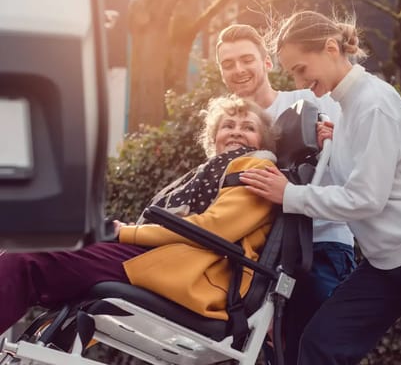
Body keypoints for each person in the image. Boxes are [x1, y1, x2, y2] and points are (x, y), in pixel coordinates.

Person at [239, 10, 401, 365]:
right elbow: (354, 182)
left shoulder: (373, 102)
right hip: (385, 263)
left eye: (301, 69)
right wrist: (335, 147)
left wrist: (288, 195)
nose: (301, 82)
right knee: (320, 344)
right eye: (293, 73)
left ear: (331, 48)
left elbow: (366, 198)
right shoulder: (346, 110)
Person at [0, 95, 279, 334]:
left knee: (30, 259)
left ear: (262, 140)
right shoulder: (209, 171)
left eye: (248, 127)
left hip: (189, 271)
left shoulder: (256, 167)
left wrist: (127, 232)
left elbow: (214, 229)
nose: (235, 132)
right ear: (213, 138)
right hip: (166, 258)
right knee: (38, 246)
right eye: (227, 125)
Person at [216, 24, 356, 363]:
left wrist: (333, 143)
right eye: (228, 63)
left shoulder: (309, 100)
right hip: (258, 262)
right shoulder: (232, 126)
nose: (239, 69)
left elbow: (353, 168)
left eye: (247, 59)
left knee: (313, 352)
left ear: (267, 62)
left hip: (319, 247)